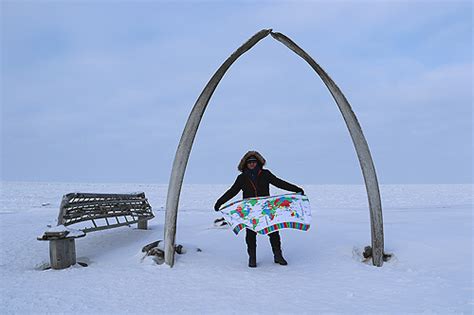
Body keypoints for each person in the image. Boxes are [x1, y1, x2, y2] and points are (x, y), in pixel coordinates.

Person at [214, 151, 304, 268]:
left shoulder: (265, 174)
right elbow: (232, 191)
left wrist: (296, 189)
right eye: (249, 162)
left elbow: (279, 183)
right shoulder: (242, 178)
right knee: (250, 234)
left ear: (258, 163)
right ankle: (252, 258)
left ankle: (278, 255)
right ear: (245, 164)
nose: (252, 164)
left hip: (266, 209)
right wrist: (219, 202)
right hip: (250, 211)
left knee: (274, 232)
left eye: (254, 162)